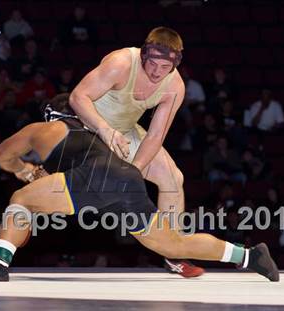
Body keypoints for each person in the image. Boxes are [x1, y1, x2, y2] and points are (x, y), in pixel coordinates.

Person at [0, 94, 279, 282]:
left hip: (94, 180)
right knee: (171, 244)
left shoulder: (44, 128)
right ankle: (249, 256)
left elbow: (2, 156)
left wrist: (25, 171)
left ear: (53, 113)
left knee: (20, 201)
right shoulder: (93, 131)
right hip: (125, 179)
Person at [69, 26, 205, 275]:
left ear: (175, 65)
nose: (157, 72)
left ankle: (173, 254)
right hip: (87, 126)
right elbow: (78, 97)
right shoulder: (120, 63)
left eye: (165, 68)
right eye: (153, 64)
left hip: (124, 132)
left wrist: (133, 172)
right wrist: (103, 129)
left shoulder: (175, 86)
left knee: (173, 178)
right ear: (144, 55)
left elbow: (155, 135)